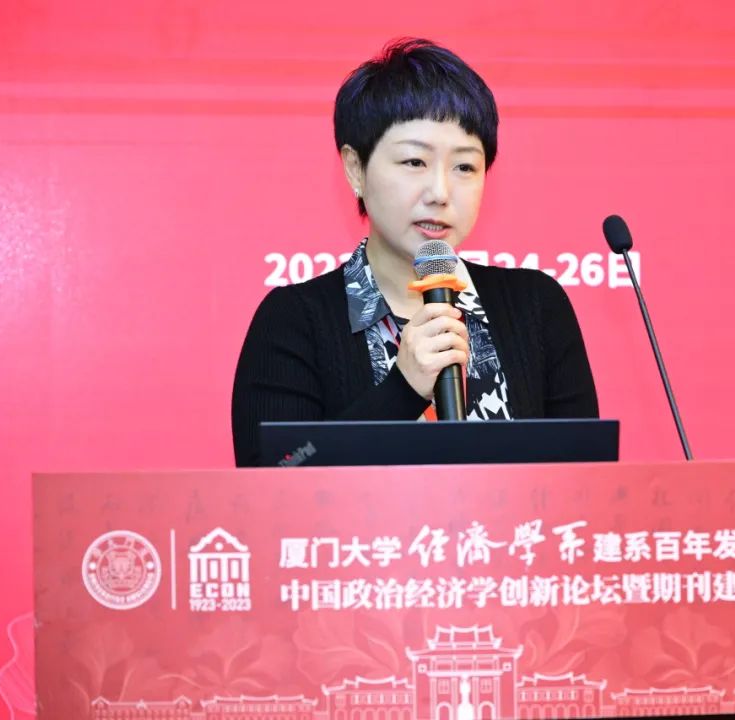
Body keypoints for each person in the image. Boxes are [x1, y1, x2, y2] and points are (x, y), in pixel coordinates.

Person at [231, 38, 597, 467]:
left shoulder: (536, 305)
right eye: (414, 163)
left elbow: (583, 478)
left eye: (464, 167)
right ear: (355, 168)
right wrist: (402, 390)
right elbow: (276, 474)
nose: (440, 193)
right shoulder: (294, 320)